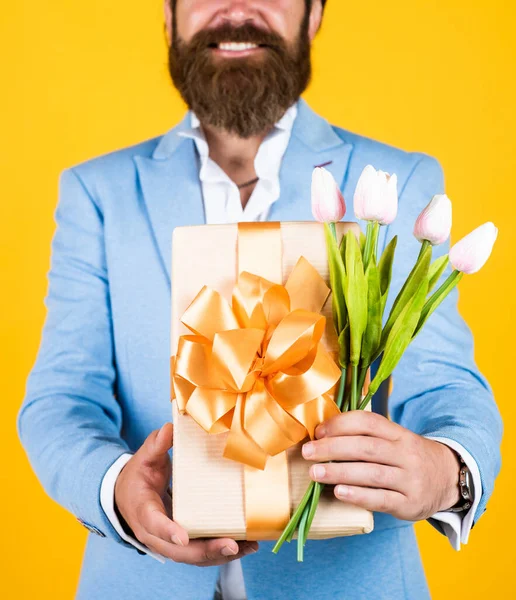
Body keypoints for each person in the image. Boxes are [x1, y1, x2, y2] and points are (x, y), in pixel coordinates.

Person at [18, 1, 502, 599]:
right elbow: (62, 398)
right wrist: (114, 486)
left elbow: (447, 385)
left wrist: (445, 471)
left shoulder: (395, 181)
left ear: (315, 14)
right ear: (167, 17)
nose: (237, 8)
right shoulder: (97, 192)